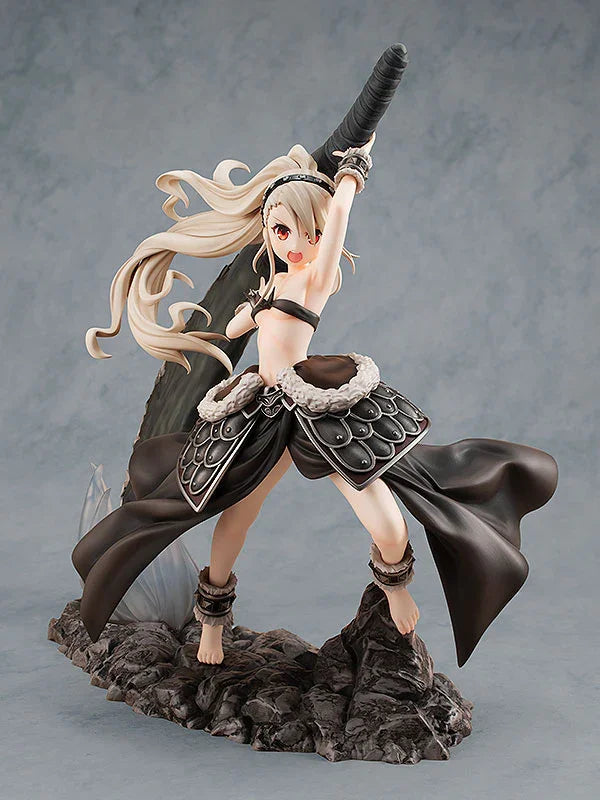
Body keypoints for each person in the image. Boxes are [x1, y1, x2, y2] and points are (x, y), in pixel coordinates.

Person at [73, 135, 558, 668]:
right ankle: (211, 624)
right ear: (267, 230)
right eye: (282, 231)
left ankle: (396, 586)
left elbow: (336, 225)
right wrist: (249, 312)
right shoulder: (271, 284)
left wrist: (350, 176)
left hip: (312, 411)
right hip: (261, 413)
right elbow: (232, 330)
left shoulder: (314, 280)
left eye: (313, 233)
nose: (297, 244)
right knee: (235, 520)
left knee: (383, 514)